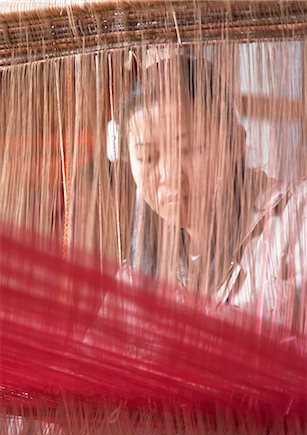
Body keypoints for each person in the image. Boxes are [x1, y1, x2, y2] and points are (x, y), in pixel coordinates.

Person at [121, 51, 307, 332]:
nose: (170, 176)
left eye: (189, 149)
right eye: (148, 157)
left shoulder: (295, 223)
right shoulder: (135, 277)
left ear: (235, 142)